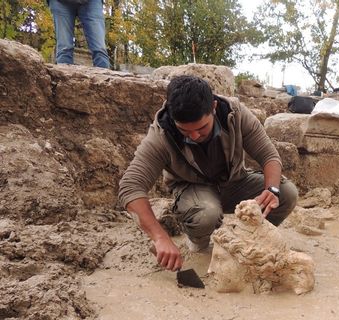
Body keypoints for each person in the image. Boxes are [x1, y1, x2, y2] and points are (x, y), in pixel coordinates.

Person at [118, 75, 298, 272]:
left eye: (202, 128)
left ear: (213, 107)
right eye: (185, 131)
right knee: (206, 214)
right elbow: (130, 187)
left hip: (234, 183)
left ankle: (251, 238)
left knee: (286, 193)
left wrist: (271, 189)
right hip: (193, 190)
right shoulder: (161, 135)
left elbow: (269, 155)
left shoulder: (235, 113)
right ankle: (198, 241)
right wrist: (160, 237)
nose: (194, 136)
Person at [48, 0, 110, 68]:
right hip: (60, 3)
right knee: (64, 49)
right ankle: (63, 77)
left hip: (92, 2)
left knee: (100, 51)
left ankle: (104, 78)